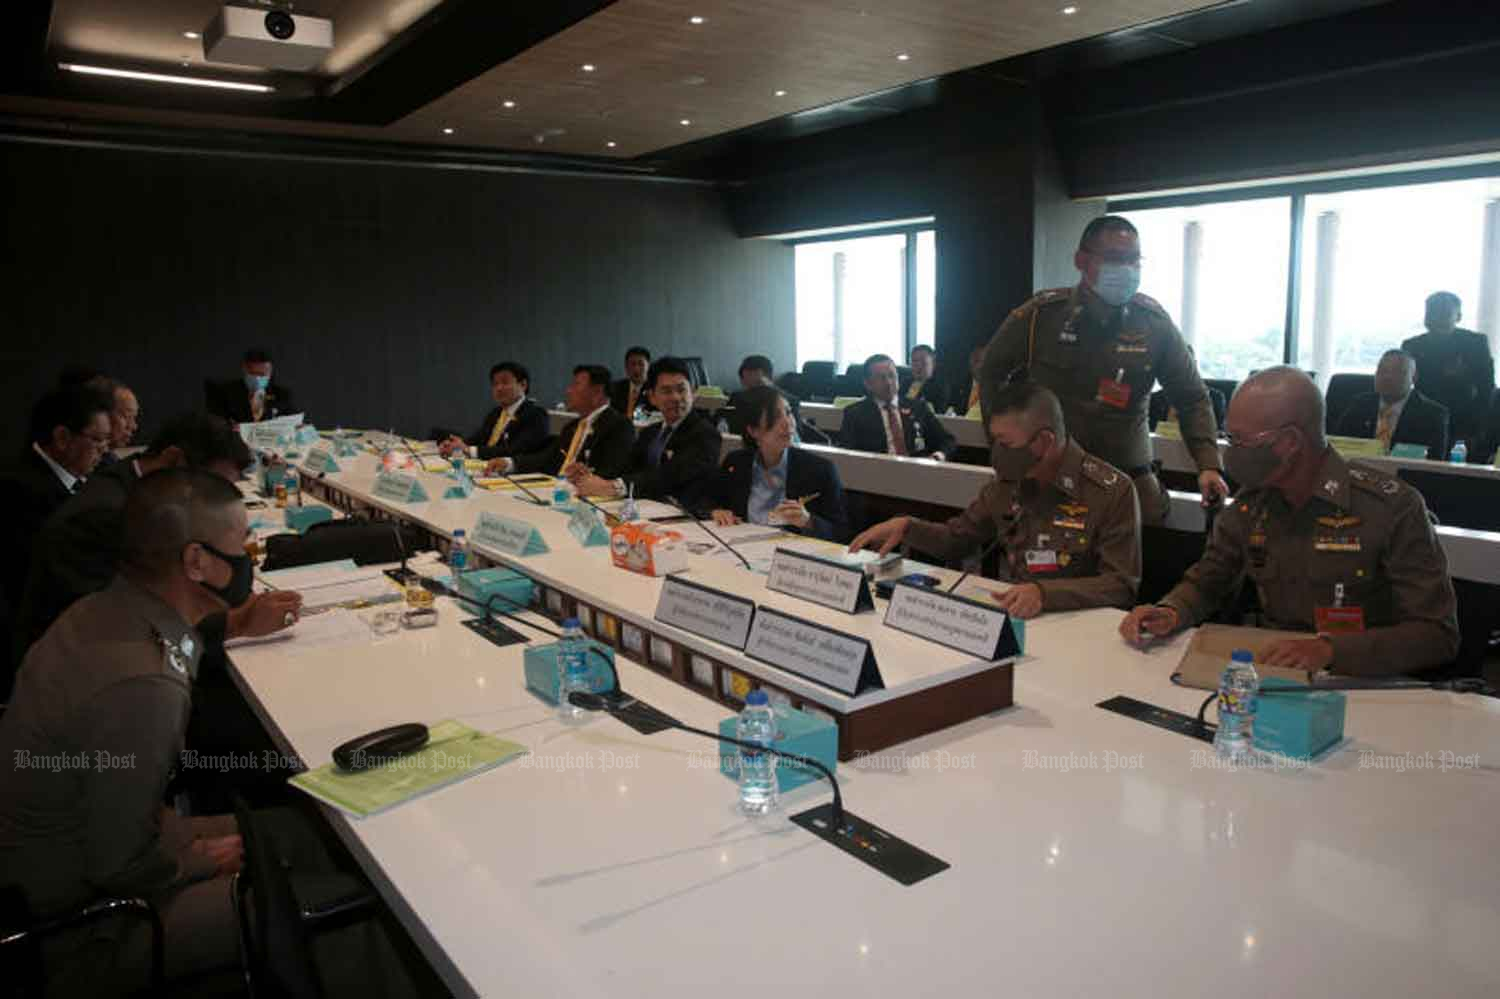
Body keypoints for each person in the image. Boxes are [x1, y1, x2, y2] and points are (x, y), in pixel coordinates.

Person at [0, 468, 254, 989]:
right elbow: (117, 865)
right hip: (86, 926)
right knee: (307, 892)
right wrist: (198, 861)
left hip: (64, 857)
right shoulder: (145, 682)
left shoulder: (102, 610)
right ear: (196, 561)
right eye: (242, 542)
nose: (249, 557)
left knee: (289, 833)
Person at [1120, 367, 1459, 675]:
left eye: (1242, 441)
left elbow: (1436, 634)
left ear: (1290, 443)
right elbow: (1210, 578)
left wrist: (1329, 650)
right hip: (1273, 671)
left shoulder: (1389, 508)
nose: (1231, 452)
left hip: (1362, 682)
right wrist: (1171, 611)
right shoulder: (1252, 504)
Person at [979, 216, 1228, 525]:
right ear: (1081, 261)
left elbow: (1192, 398)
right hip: (1050, 467)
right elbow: (990, 373)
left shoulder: (1153, 323)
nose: (1126, 269)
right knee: (1040, 555)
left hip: (1127, 470)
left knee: (1143, 546)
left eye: (1133, 260)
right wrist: (1003, 444)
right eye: (1113, 259)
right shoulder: (1041, 316)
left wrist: (1208, 465)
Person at [849, 383, 1140, 618]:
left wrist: (1045, 594)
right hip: (1013, 617)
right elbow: (958, 538)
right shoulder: (1005, 486)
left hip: (1080, 626)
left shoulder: (1110, 491)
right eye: (994, 442)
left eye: (1006, 444)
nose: (998, 455)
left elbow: (1120, 584)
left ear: (1046, 442)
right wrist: (908, 527)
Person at [13, 413, 271, 662]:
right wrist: (235, 623)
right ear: (174, 459)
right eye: (213, 487)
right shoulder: (104, 516)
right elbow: (121, 626)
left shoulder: (131, 486)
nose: (219, 502)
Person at [0, 383, 114, 614]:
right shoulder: (19, 493)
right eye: (98, 440)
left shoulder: (83, 479)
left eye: (107, 441)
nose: (105, 451)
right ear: (62, 438)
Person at [568, 357, 722, 508]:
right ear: (652, 397)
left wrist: (614, 487)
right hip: (643, 509)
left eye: (681, 390)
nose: (676, 397)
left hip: (685, 515)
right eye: (666, 391)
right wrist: (589, 475)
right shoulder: (651, 432)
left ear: (693, 393)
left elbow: (668, 476)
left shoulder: (705, 434)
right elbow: (626, 468)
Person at [707, 386, 848, 541]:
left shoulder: (819, 469)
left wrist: (808, 521)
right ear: (753, 431)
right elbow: (709, 500)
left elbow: (841, 533)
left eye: (788, 412)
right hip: (742, 547)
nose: (788, 423)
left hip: (791, 556)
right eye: (775, 418)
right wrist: (715, 511)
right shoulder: (736, 463)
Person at [488, 365, 635, 481]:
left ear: (597, 391)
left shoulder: (619, 426)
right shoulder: (572, 426)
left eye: (576, 385)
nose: (568, 390)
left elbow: (611, 471)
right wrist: (509, 463)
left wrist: (585, 475)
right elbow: (548, 458)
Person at [1400, 292, 1495, 447]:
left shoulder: (1475, 343)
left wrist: (1479, 427)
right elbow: (1403, 388)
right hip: (1422, 417)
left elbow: (1487, 388)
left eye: (1444, 313)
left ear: (1458, 317)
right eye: (1431, 313)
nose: (1436, 318)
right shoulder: (1412, 345)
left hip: (1464, 418)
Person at [1333, 349, 1450, 460]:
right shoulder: (1359, 404)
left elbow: (1434, 461)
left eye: (1398, 372)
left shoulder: (1433, 414)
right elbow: (1337, 446)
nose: (1387, 377)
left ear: (1414, 378)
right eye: (1382, 371)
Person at [838, 353, 955, 460]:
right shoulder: (854, 413)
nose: (888, 382)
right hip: (876, 473)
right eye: (881, 378)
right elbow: (846, 453)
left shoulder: (918, 407)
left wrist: (937, 456)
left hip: (918, 471)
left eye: (892, 376)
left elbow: (947, 440)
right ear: (868, 384)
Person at [437, 361, 550, 461]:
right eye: (495, 384)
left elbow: (516, 451)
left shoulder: (536, 415)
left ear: (523, 385)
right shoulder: (495, 413)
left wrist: (468, 450)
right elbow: (478, 439)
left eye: (505, 382)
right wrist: (455, 445)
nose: (499, 388)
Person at [206, 348, 296, 424]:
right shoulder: (225, 392)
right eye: (253, 374)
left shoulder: (282, 395)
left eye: (262, 374)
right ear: (244, 369)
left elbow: (292, 420)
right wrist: (230, 428)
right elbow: (216, 422)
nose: (257, 379)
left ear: (270, 372)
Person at [608, 346, 655, 417]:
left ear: (648, 367)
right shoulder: (615, 388)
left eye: (641, 364)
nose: (636, 369)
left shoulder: (654, 389)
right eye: (633, 364)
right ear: (626, 367)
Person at [902, 345, 949, 411]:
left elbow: (939, 412)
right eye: (914, 362)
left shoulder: (940, 386)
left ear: (933, 363)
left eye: (923, 363)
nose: (919, 367)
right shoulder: (905, 382)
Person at [952, 343, 986, 415]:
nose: (979, 365)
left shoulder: (996, 388)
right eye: (976, 360)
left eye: (982, 361)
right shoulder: (960, 385)